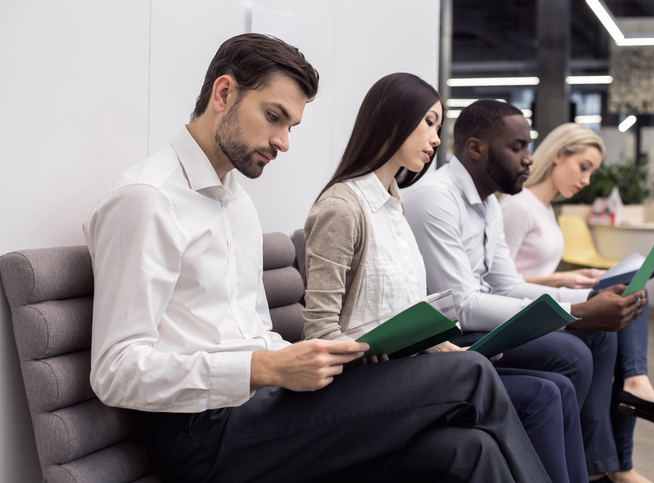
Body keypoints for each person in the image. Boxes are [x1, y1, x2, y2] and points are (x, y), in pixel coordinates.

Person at [82, 35, 551, 483]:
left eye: (291, 126)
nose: (283, 142)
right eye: (274, 117)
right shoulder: (146, 199)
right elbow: (115, 371)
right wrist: (264, 369)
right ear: (224, 92)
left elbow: (252, 331)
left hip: (259, 405)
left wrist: (310, 358)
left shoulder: (236, 203)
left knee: (468, 452)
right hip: (205, 436)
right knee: (470, 373)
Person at [303, 73, 585, 483]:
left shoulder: (394, 207)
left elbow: (405, 313)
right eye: (429, 123)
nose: (437, 139)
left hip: (406, 367)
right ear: (393, 121)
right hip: (363, 382)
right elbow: (319, 332)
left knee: (539, 386)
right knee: (506, 381)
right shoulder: (342, 207)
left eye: (439, 125)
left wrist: (443, 348)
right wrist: (370, 348)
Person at [404, 99, 649, 483]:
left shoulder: (490, 205)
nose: (529, 160)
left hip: (478, 321)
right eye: (517, 148)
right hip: (450, 336)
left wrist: (583, 302)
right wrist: (577, 314)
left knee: (586, 346)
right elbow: (463, 307)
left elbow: (508, 284)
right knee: (571, 354)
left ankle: (586, 467)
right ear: (476, 148)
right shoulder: (436, 197)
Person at [500, 122, 654, 481]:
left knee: (629, 295)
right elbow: (498, 282)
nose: (587, 180)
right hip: (523, 311)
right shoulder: (518, 206)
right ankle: (629, 419)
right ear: (559, 155)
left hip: (546, 300)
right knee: (620, 312)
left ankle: (628, 424)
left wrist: (566, 278)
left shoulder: (544, 208)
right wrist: (561, 279)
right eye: (584, 167)